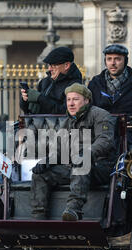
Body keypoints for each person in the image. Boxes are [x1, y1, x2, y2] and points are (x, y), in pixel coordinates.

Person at [30, 83, 117, 221]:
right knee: (41, 174)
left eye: (75, 99)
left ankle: (73, 210)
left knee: (80, 162)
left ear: (87, 100)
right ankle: (38, 217)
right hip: (73, 167)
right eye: (68, 100)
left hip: (101, 167)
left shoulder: (100, 115)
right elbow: (60, 150)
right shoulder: (67, 122)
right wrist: (46, 161)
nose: (71, 104)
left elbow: (105, 141)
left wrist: (86, 153)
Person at [87, 44, 132, 145]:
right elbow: (86, 111)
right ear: (105, 61)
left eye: (117, 59)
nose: (113, 63)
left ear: (125, 61)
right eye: (109, 59)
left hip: (129, 139)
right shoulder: (95, 83)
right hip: (99, 137)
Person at [20, 46, 82, 115]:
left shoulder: (75, 85)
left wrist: (40, 98)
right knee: (8, 125)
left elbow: (66, 112)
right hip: (39, 123)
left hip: (60, 125)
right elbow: (27, 110)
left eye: (54, 65)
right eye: (49, 65)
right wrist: (25, 99)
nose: (49, 69)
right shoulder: (44, 82)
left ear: (66, 66)